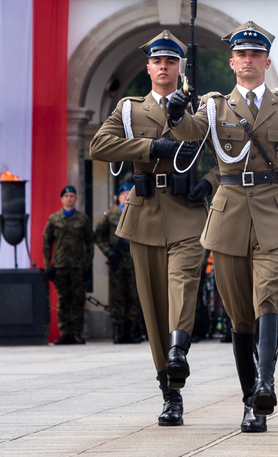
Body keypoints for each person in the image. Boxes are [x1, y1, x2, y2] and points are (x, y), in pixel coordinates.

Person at [167, 20, 278, 434]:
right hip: (229, 213)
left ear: (267, 62)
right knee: (239, 316)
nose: (248, 61)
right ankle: (250, 397)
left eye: (256, 55)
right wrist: (176, 112)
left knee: (268, 299)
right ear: (232, 62)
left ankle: (265, 386)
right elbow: (190, 133)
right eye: (242, 55)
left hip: (273, 214)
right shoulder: (213, 107)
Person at [90, 30, 212, 427]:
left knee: (182, 286)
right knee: (155, 307)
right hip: (144, 216)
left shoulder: (203, 108)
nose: (164, 67)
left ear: (181, 67)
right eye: (158, 62)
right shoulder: (129, 110)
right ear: (148, 68)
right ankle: (170, 391)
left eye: (171, 62)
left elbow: (231, 154)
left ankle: (178, 351)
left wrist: (208, 182)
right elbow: (99, 146)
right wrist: (149, 148)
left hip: (188, 213)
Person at [42, 186, 94, 345]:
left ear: (76, 199)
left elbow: (90, 243)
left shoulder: (83, 219)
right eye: (66, 196)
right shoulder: (54, 219)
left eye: (72, 195)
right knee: (63, 300)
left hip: (78, 266)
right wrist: (48, 265)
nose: (69, 198)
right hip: (60, 266)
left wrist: (88, 265)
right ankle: (65, 333)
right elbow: (46, 242)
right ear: (62, 199)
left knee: (78, 300)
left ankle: (77, 333)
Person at [93, 183, 143, 344]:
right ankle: (120, 331)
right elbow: (98, 235)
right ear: (118, 197)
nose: (126, 195)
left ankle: (134, 331)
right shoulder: (111, 214)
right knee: (118, 296)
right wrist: (108, 252)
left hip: (135, 260)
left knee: (136, 296)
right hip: (118, 262)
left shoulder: (140, 211)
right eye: (123, 193)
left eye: (129, 193)